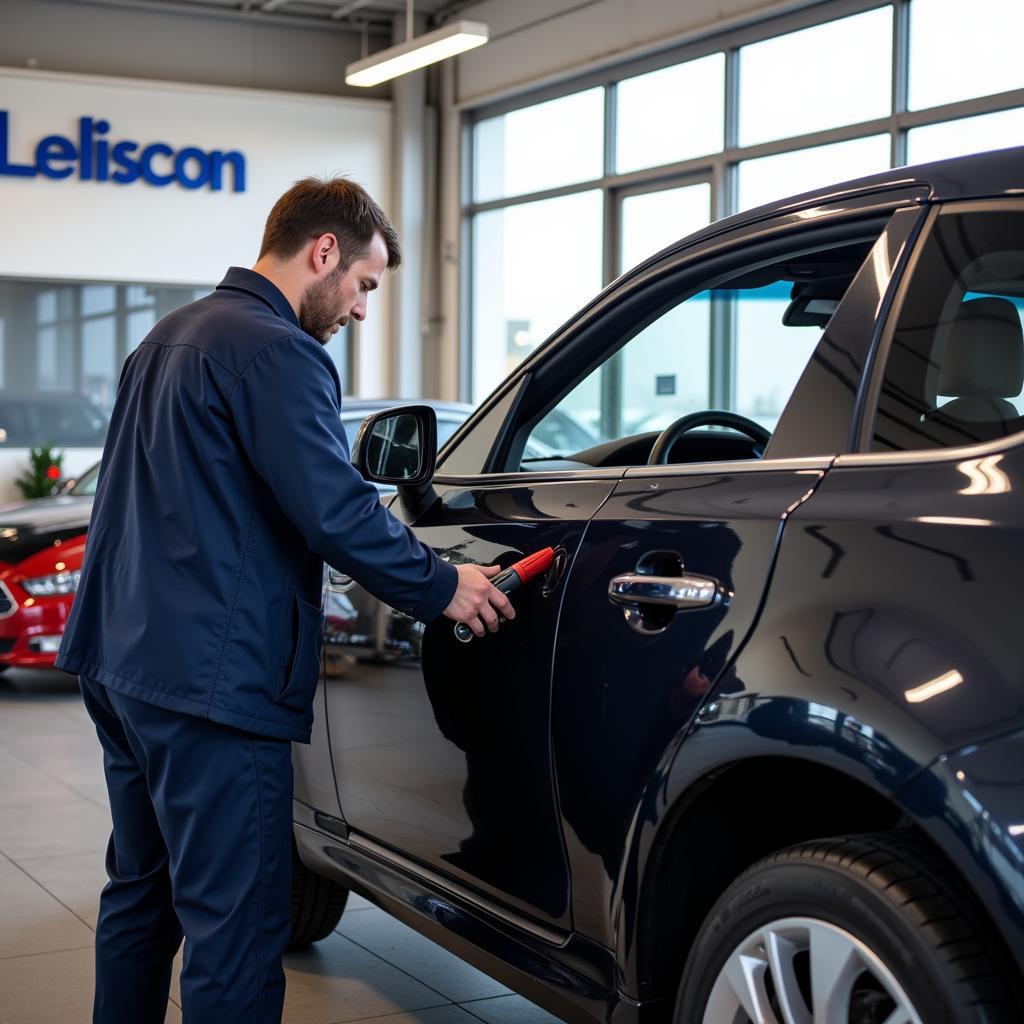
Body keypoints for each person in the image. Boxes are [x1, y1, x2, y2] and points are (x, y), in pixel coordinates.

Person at [55, 176, 514, 1024]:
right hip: (212, 686)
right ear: (325, 251)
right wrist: (442, 584)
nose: (362, 310)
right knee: (236, 928)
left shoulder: (168, 336)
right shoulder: (278, 351)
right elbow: (334, 508)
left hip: (121, 662)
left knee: (140, 896)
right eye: (365, 286)